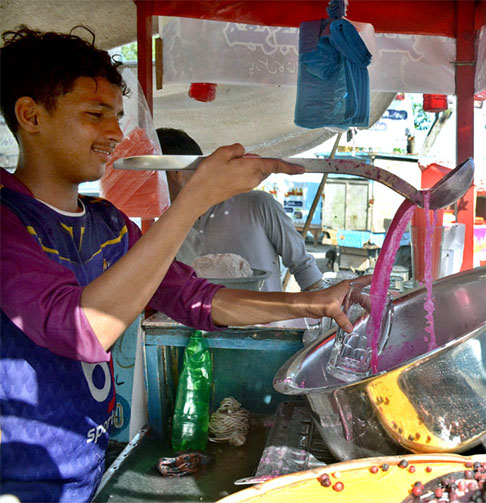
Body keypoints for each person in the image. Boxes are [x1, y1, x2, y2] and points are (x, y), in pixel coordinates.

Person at [0, 26, 354, 502]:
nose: (114, 134)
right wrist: (194, 199)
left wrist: (314, 302)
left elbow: (198, 300)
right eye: (95, 114)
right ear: (30, 116)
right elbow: (82, 330)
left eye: (117, 116)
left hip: (85, 467)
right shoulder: (8, 221)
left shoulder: (110, 224)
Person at [156, 128, 323, 292]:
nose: (150, 190)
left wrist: (319, 313)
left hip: (266, 319)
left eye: (152, 178)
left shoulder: (257, 205)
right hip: (201, 320)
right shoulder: (168, 229)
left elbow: (305, 270)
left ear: (175, 173)